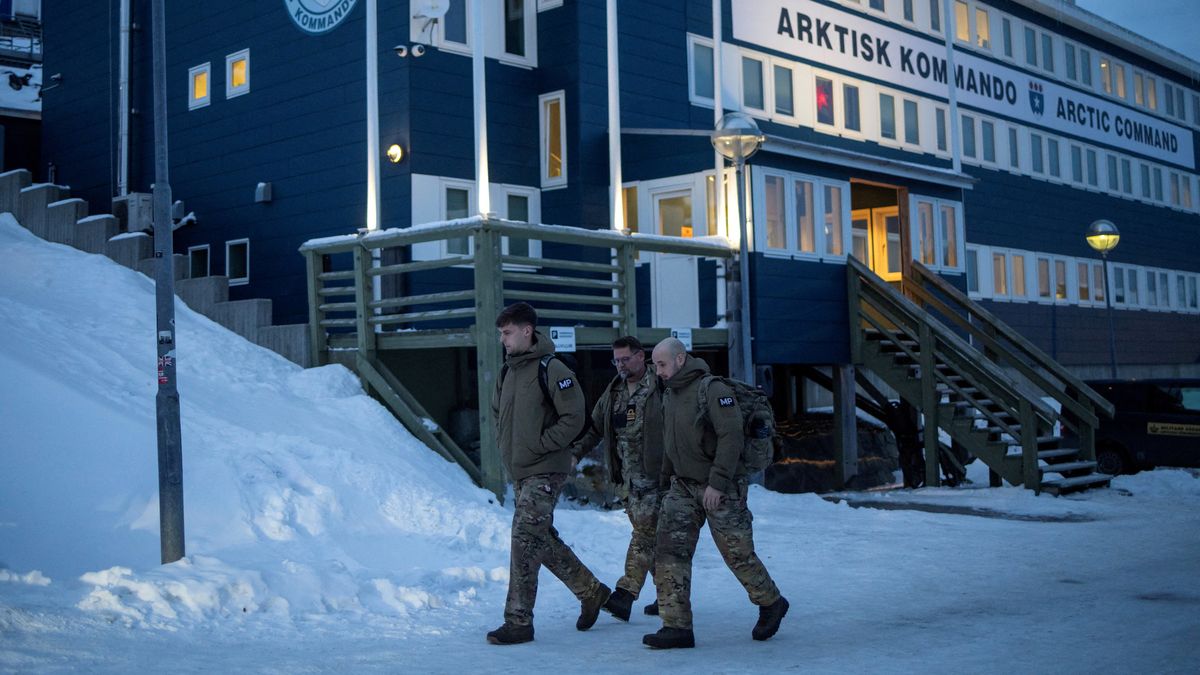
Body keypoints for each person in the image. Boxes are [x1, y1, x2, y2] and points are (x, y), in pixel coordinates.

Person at [642, 337, 789, 650]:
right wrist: (666, 480)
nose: (658, 371)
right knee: (669, 552)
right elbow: (670, 441)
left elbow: (731, 436)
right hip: (683, 486)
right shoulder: (669, 393)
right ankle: (676, 626)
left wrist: (718, 482)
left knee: (737, 554)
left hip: (719, 487)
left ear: (680, 359)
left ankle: (771, 601)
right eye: (655, 365)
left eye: (662, 364)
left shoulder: (713, 390)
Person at [486, 302, 612, 645]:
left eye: (507, 333)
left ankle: (518, 621)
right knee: (540, 538)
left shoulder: (552, 368)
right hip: (521, 470)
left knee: (524, 539)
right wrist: (508, 447)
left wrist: (542, 445)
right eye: (501, 334)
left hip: (546, 469)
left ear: (527, 331)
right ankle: (591, 591)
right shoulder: (507, 372)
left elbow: (575, 416)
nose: (503, 340)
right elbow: (497, 415)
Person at [571, 336, 664, 621]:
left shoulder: (661, 385)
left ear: (641, 356)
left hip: (658, 479)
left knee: (644, 535)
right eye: (616, 361)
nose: (620, 365)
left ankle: (625, 594)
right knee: (651, 539)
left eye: (625, 359)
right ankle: (668, 596)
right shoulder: (614, 391)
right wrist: (575, 454)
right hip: (628, 482)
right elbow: (595, 428)